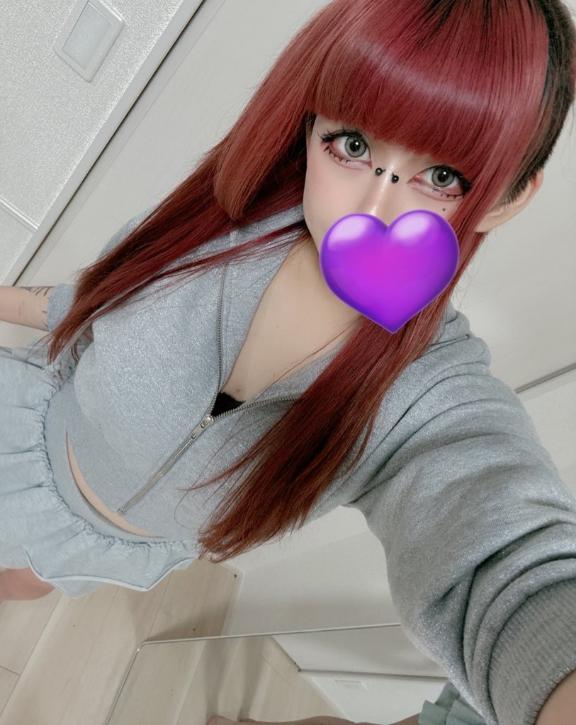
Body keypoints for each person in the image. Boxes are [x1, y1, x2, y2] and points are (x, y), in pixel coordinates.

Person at [0, 1, 575, 723]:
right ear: (311, 125)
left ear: (506, 199)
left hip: (107, 546)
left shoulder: (426, 394)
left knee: (25, 579)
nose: (373, 207)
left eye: (442, 176)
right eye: (353, 145)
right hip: (21, 429)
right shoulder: (220, 222)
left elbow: (509, 563)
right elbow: (93, 296)